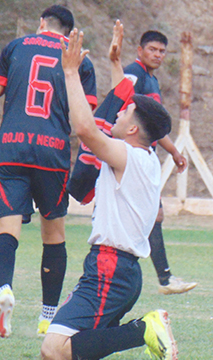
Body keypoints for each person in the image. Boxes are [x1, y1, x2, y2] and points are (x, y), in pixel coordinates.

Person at [41, 21, 178, 360]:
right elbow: (128, 100)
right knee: (60, 352)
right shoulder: (141, 156)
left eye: (126, 111)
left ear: (132, 128)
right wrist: (116, 64)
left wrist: (71, 73)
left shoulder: (128, 156)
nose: (120, 109)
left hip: (110, 269)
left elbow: (86, 129)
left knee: (53, 350)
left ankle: (144, 330)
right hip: (115, 270)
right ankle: (142, 329)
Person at [0, 4, 97, 337]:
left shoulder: (15, 47)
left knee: (7, 229)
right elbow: (82, 121)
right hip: (52, 152)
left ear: (41, 23)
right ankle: (47, 317)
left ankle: (4, 290)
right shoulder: (81, 61)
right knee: (54, 235)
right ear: (70, 33)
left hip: (11, 148)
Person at [123, 30, 196, 295]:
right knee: (150, 214)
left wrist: (174, 152)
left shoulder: (151, 80)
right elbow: (121, 107)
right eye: (152, 49)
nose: (158, 55)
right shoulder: (134, 73)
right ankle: (163, 279)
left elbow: (153, 125)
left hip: (146, 156)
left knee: (152, 214)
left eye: (162, 51)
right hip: (132, 156)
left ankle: (163, 277)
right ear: (140, 49)